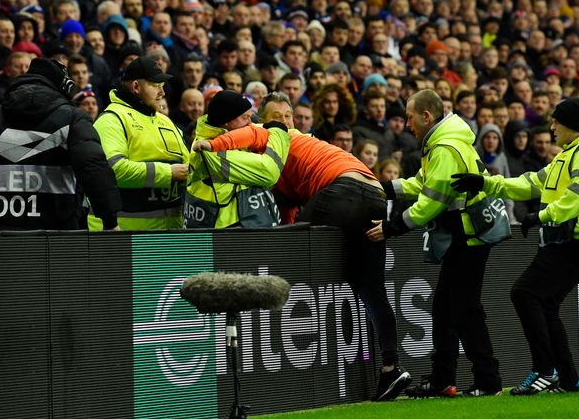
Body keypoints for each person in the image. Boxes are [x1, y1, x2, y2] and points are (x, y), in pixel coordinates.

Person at [193, 91, 411, 402]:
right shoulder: (306, 148)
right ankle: (391, 368)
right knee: (371, 287)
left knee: (294, 250)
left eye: (282, 117)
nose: (278, 122)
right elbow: (288, 208)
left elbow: (250, 135)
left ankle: (291, 345)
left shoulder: (271, 135)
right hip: (373, 191)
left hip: (340, 188)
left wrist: (211, 144)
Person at [451, 97, 579, 395]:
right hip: (565, 241)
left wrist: (541, 215)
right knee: (545, 304)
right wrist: (485, 183)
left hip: (573, 241)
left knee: (525, 293)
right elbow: (532, 182)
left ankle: (545, 369)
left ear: (572, 124)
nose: (551, 126)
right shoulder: (573, 152)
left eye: (556, 121)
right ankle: (568, 378)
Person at [367, 89, 503, 398]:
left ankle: (463, 379)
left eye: (411, 118)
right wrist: (387, 188)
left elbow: (431, 201)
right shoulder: (446, 142)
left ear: (426, 116)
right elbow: (425, 183)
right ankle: (473, 378)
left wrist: (392, 226)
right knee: (459, 308)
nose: (408, 125)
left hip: (467, 234)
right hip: (470, 233)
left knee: (453, 308)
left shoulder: (443, 147)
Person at [0, 58, 121, 231]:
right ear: (62, 86)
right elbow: (93, 168)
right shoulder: (73, 118)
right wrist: (110, 220)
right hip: (60, 235)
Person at [88, 56, 189, 230]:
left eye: (162, 86)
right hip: (124, 237)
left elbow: (189, 165)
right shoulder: (112, 120)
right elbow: (112, 170)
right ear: (136, 86)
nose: (162, 93)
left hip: (170, 235)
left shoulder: (166, 121)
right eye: (156, 86)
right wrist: (168, 172)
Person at [185, 90, 290, 228]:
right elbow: (269, 171)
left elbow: (256, 132)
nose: (251, 123)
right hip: (225, 230)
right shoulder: (211, 152)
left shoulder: (234, 134)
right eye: (245, 117)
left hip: (248, 224)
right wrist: (279, 132)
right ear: (227, 122)